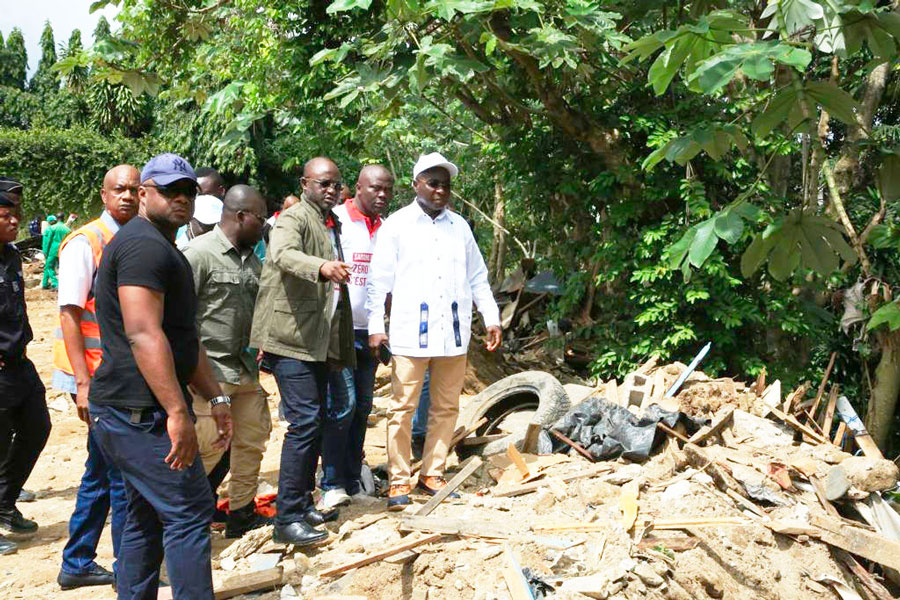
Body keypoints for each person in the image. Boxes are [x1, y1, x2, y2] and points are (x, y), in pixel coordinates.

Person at [88, 153, 233, 599]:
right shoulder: (144, 246)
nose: (181, 198)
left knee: (145, 514)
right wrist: (177, 411)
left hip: (133, 409)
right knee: (190, 510)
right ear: (144, 192)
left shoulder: (164, 248)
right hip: (136, 411)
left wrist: (216, 398)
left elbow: (183, 340)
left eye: (189, 190)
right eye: (170, 190)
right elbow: (143, 333)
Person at [367, 152, 502, 510]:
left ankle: (432, 474)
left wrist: (491, 316)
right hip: (412, 332)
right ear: (416, 185)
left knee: (445, 406)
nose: (441, 190)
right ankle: (399, 482)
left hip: (453, 333)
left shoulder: (460, 227)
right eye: (433, 182)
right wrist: (376, 328)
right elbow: (378, 283)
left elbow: (477, 277)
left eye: (446, 184)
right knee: (402, 408)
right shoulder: (396, 225)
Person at [250, 157, 354, 546]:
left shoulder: (330, 221)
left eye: (335, 185)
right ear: (305, 183)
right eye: (323, 183)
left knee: (315, 421)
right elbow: (282, 254)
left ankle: (302, 503)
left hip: (316, 340)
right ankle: (287, 518)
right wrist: (322, 266)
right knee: (305, 423)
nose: (330, 190)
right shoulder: (294, 218)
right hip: (289, 338)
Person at [51, 165, 139, 590]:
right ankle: (120, 567)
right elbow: (69, 313)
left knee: (102, 468)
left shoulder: (133, 237)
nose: (126, 196)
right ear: (104, 195)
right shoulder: (86, 243)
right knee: (115, 471)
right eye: (118, 190)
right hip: (93, 374)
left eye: (133, 190)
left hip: (116, 373)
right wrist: (84, 384)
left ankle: (80, 559)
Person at [183, 184, 271, 539]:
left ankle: (241, 513)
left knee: (251, 442)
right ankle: (181, 523)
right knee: (205, 450)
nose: (264, 225)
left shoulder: (253, 260)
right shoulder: (197, 255)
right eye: (260, 218)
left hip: (246, 371)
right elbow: (180, 319)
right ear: (240, 216)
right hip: (209, 373)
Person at [320, 165, 393, 509]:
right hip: (338, 331)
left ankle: (351, 477)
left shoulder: (387, 229)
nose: (381, 195)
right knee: (342, 406)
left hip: (371, 330)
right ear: (359, 188)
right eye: (375, 189)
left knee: (363, 407)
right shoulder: (335, 220)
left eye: (387, 190)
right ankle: (331, 482)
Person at [0, 190, 52, 555]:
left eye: (16, 213)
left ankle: (4, 504)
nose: (14, 220)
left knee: (38, 427)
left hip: (19, 362)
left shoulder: (10, 256)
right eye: (5, 214)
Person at [42, 214, 70, 290]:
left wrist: (45, 251)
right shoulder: (67, 229)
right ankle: (45, 284)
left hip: (53, 250)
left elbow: (48, 241)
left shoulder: (52, 228)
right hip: (63, 249)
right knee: (61, 267)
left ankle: (55, 283)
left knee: (49, 267)